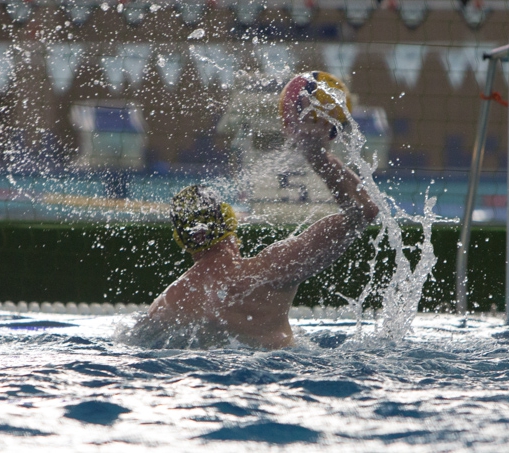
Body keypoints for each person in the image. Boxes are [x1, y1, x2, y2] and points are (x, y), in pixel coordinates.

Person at [134, 73, 378, 350]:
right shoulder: (269, 271)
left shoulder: (166, 305)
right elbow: (364, 211)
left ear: (182, 240)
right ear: (228, 221)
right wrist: (318, 156)